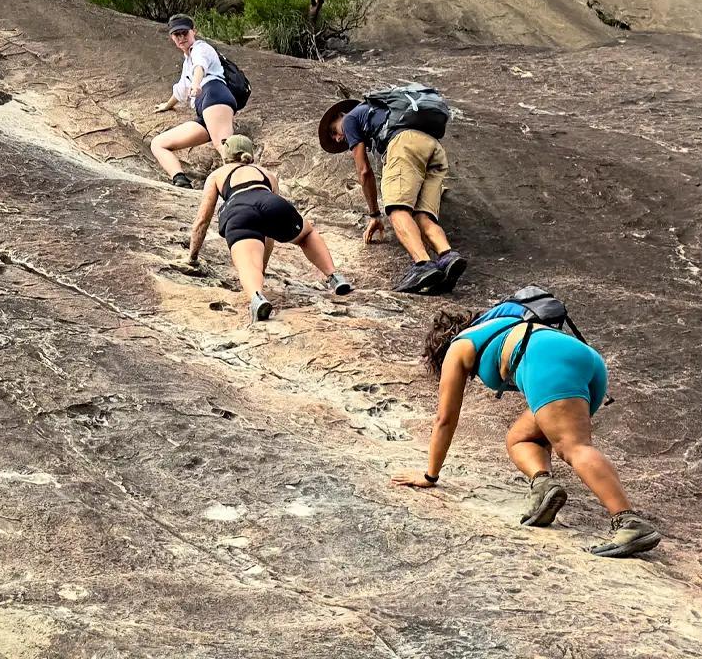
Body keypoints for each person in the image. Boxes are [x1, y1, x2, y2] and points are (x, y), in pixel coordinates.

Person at [391, 299, 664, 559]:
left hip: (548, 360)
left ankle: (628, 520)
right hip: (585, 358)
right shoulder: (502, 321)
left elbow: (445, 419)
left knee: (573, 446)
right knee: (521, 438)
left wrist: (430, 475)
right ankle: (544, 487)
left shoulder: (459, 346)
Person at [186, 135, 350, 322]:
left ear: (226, 155)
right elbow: (269, 231)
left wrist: (192, 256)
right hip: (270, 203)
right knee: (306, 234)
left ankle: (257, 297)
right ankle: (334, 276)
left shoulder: (217, 174)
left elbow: (202, 220)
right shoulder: (266, 174)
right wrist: (263, 266)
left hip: (238, 210)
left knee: (248, 264)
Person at [321, 92, 462, 295]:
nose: (337, 138)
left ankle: (423, 264)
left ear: (340, 114)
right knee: (422, 215)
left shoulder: (350, 119)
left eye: (333, 131)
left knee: (398, 209)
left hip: (404, 144)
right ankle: (447, 256)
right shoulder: (380, 112)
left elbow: (364, 171)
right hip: (433, 147)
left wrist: (375, 215)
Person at [149, 15, 239, 182]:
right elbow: (182, 89)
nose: (181, 38)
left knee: (225, 148)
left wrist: (196, 84)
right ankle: (180, 179)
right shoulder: (186, 61)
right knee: (158, 144)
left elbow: (200, 66)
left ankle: (248, 186)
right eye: (177, 35)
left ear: (194, 32)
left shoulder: (201, 48)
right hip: (204, 110)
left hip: (214, 95)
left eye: (185, 33)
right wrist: (167, 105)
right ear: (172, 37)